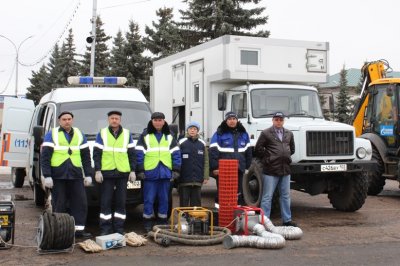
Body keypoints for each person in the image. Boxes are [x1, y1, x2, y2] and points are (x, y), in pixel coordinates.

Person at [41, 111, 92, 238]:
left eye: (69, 119)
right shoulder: (52, 134)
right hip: (58, 175)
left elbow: (86, 156)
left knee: (80, 203)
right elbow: (45, 156)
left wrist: (88, 174)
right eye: (64, 119)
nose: (67, 121)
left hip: (76, 175)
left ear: (72, 120)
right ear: (59, 121)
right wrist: (47, 175)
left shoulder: (79, 134)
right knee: (59, 204)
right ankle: (61, 231)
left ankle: (78, 231)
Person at [135, 112, 181, 232]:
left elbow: (176, 153)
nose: (158, 122)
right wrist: (140, 170)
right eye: (155, 120)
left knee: (164, 199)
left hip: (165, 173)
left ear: (164, 122)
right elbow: (139, 153)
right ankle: (148, 223)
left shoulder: (170, 135)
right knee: (149, 199)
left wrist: (176, 169)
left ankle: (162, 222)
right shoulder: (145, 135)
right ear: (151, 121)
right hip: (150, 172)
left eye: (160, 120)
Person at [93, 110, 136, 235]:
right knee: (105, 202)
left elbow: (132, 154)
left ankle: (119, 228)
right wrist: (97, 170)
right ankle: (105, 229)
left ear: (120, 120)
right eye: (112, 118)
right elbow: (97, 154)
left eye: (116, 118)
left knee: (121, 203)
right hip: (107, 173)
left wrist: (133, 170)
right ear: (108, 120)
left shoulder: (127, 134)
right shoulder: (102, 133)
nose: (114, 120)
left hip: (123, 173)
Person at [254, 111, 297, 227]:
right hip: (271, 170)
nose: (279, 121)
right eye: (276, 119)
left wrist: (285, 156)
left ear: (283, 121)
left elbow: (292, 149)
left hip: (285, 169)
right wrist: (269, 158)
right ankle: (265, 221)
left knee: (286, 196)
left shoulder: (289, 133)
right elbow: (258, 149)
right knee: (267, 196)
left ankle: (287, 220)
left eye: (281, 120)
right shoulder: (266, 133)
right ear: (273, 120)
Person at [209, 111, 252, 205]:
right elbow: (213, 152)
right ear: (226, 121)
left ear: (237, 120)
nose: (232, 121)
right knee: (223, 193)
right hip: (223, 170)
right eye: (229, 119)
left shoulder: (243, 134)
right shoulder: (219, 134)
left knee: (238, 193)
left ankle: (237, 215)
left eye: (234, 119)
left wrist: (247, 167)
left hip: (239, 169)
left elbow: (248, 152)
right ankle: (220, 214)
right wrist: (215, 168)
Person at [178, 121, 209, 207]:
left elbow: (206, 161)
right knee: (184, 201)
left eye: (195, 129)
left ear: (197, 131)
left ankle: (195, 219)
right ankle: (183, 218)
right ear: (187, 130)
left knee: (196, 203)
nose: (192, 130)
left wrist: (206, 176)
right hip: (184, 179)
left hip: (198, 179)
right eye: (191, 128)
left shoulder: (202, 144)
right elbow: (176, 159)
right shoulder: (181, 143)